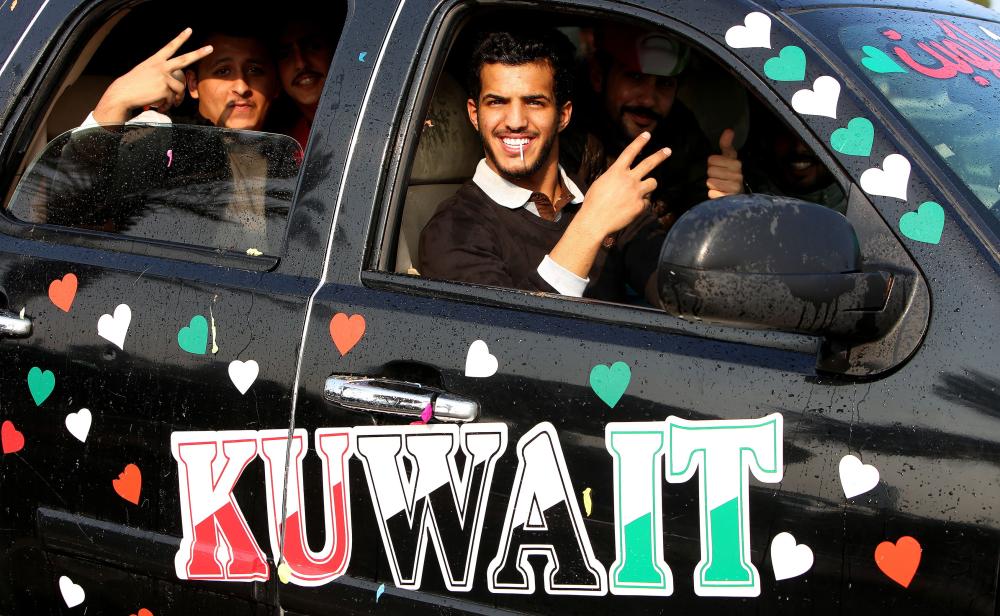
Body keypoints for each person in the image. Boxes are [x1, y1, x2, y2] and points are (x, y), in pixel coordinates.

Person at [418, 29, 669, 303]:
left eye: (534, 102)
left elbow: (677, 293)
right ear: (475, 115)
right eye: (497, 102)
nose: (515, 121)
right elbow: (507, 329)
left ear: (563, 116)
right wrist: (590, 226)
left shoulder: (599, 194)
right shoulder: (453, 229)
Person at [42, 27, 297, 252]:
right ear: (193, 85)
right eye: (223, 71)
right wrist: (114, 101)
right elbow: (69, 213)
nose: (241, 86)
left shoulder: (295, 156)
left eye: (255, 70)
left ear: (275, 85)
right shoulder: (163, 137)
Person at [562, 25, 745, 230]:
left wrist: (730, 204)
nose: (649, 99)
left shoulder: (682, 133)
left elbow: (707, 228)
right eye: (635, 77)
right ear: (598, 76)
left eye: (665, 83)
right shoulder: (568, 137)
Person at [744, 108, 847, 213]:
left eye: (813, 135)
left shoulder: (857, 207)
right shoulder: (749, 205)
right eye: (786, 131)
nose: (799, 148)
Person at [272, 19, 338, 147]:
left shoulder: (372, 117)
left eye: (313, 46)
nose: (301, 63)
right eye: (285, 54)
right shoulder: (288, 145)